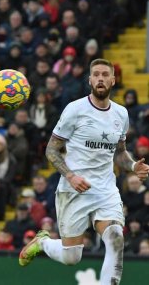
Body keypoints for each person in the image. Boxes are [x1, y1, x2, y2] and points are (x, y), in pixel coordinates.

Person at [19, 59, 149, 285]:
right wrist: (70, 176)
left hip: (105, 189)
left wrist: (132, 165)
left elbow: (119, 153)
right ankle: (43, 243)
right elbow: (51, 150)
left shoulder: (121, 114)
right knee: (72, 257)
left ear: (112, 80)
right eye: (96, 74)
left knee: (116, 238)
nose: (100, 78)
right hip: (73, 190)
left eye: (104, 74)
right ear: (89, 80)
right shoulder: (75, 110)